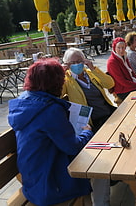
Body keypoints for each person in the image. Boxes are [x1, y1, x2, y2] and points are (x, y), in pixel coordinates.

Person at [7, 58, 93, 206]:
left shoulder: (24, 101)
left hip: (33, 178)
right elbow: (72, 146)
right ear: (56, 83)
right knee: (95, 165)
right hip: (51, 184)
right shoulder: (50, 110)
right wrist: (87, 133)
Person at [62, 47, 116, 133]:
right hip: (92, 122)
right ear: (67, 64)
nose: (77, 64)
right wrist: (59, 75)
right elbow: (57, 94)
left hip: (109, 113)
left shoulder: (91, 73)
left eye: (79, 61)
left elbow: (110, 84)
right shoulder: (67, 80)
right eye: (73, 62)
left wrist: (93, 69)